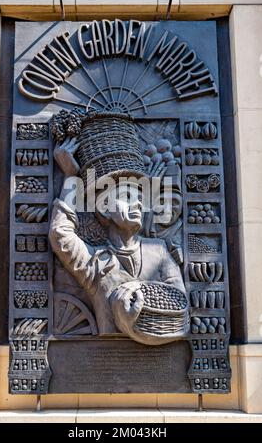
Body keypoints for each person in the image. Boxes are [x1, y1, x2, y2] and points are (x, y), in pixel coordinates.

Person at [49, 137, 187, 345]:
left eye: (140, 199)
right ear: (104, 207)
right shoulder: (96, 263)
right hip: (103, 360)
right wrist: (70, 177)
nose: (138, 204)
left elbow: (178, 298)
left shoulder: (159, 251)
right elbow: (60, 234)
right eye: (128, 197)